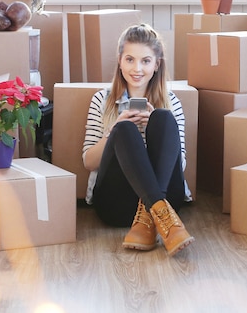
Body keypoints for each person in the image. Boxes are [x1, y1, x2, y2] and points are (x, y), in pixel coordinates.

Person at [82, 23, 194, 256]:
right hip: (117, 204)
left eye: (145, 61)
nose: (137, 68)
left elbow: (180, 164)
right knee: (123, 130)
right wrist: (114, 130)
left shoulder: (171, 101)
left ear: (156, 65)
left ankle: (152, 214)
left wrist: (156, 127)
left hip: (165, 198)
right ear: (120, 61)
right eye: (130, 59)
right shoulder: (101, 100)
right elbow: (89, 162)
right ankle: (157, 214)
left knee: (163, 118)